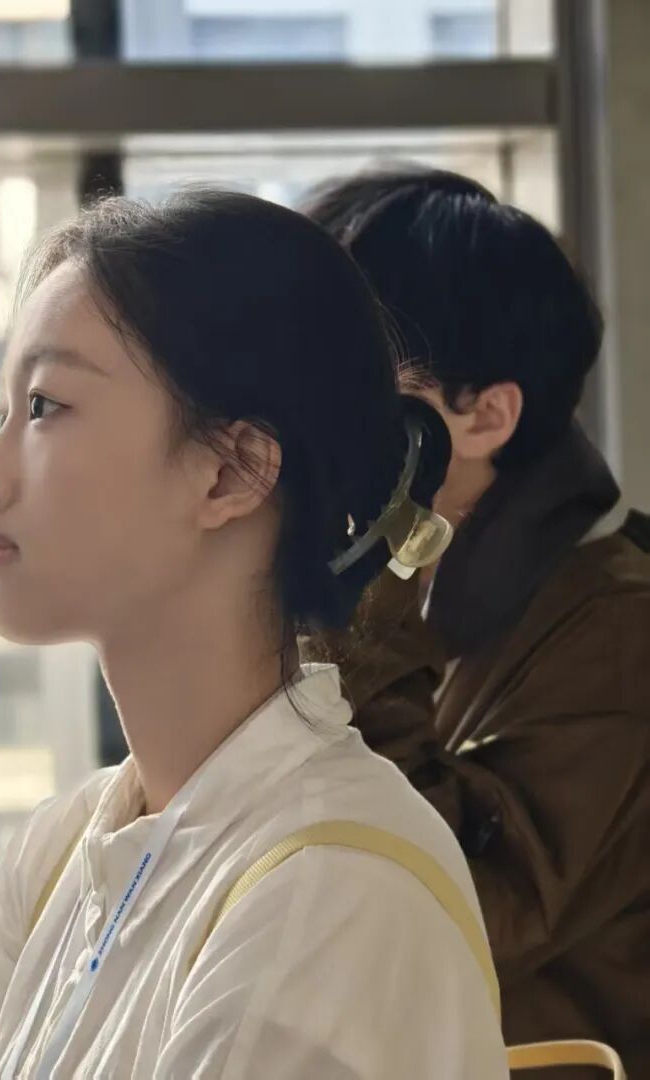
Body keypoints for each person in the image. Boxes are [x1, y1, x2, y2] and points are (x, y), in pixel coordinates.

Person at [0, 190, 507, 1079]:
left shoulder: (331, 888)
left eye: (44, 407)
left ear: (231, 472)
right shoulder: (57, 855)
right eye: (2, 412)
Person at [302, 167, 650, 1075]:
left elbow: (459, 904)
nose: (311, 417)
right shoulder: (431, 577)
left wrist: (345, 619)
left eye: (354, 379)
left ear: (485, 415)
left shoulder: (619, 630)